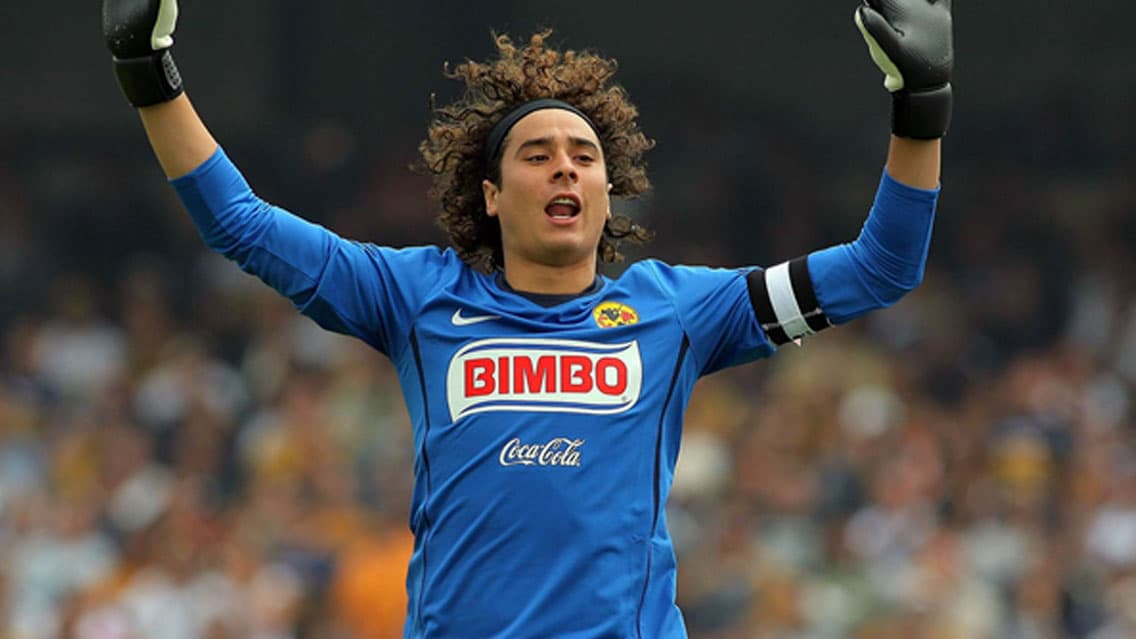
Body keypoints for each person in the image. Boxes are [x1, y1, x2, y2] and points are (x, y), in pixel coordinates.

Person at [101, 1, 953, 636]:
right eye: (537, 155)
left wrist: (922, 102)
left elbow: (882, 267)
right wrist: (149, 71)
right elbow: (240, 225)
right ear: (490, 194)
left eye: (584, 157)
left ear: (605, 192)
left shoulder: (679, 310)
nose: (566, 170)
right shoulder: (415, 296)